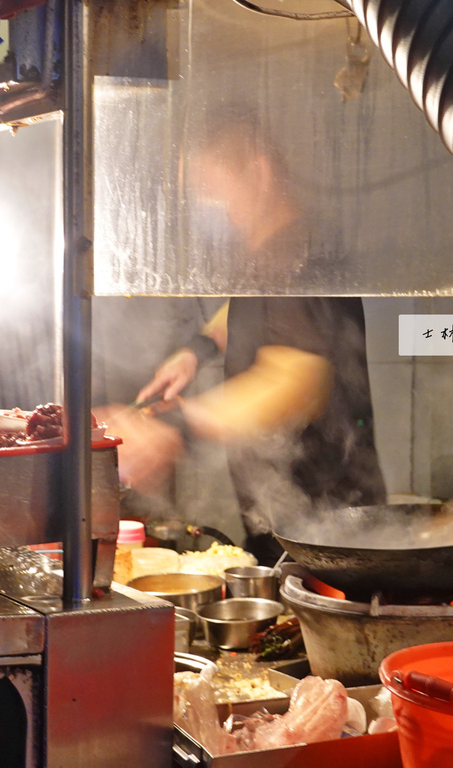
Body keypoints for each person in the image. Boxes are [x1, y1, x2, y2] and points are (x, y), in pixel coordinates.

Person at [94, 111, 386, 565]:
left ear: (257, 171)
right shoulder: (267, 252)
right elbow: (249, 313)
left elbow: (297, 379)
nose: (206, 208)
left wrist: (171, 429)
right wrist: (198, 349)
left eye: (211, 191)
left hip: (329, 535)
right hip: (282, 520)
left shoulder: (297, 257)